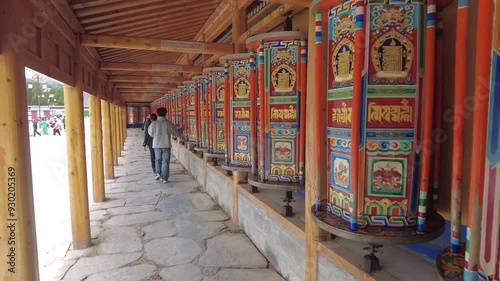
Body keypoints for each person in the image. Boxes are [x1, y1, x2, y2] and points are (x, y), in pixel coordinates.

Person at [148, 107, 182, 183]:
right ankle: (165, 178)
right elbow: (175, 133)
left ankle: (158, 173)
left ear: (157, 114)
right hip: (166, 145)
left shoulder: (154, 124)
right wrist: (180, 129)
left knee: (157, 160)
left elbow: (150, 133)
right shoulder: (168, 123)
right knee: (166, 161)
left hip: (156, 145)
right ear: (165, 113)